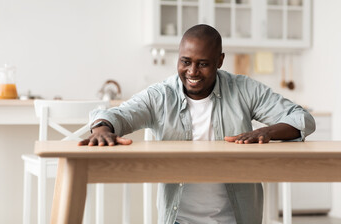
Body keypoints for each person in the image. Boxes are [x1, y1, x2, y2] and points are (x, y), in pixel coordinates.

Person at [79, 24, 315, 224]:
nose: (192, 72)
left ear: (220, 61)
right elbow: (120, 115)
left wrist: (266, 131)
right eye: (185, 62)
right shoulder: (160, 95)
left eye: (203, 64)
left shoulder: (244, 89)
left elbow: (301, 118)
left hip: (237, 218)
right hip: (178, 219)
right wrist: (101, 128)